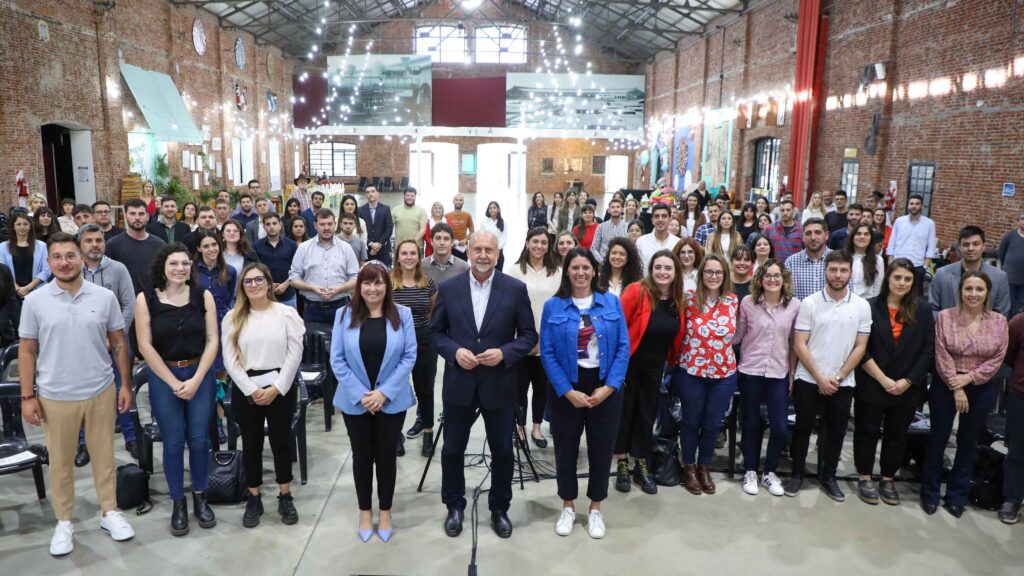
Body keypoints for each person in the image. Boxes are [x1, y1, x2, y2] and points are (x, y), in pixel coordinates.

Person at [18, 232, 135, 556]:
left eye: (71, 256)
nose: (65, 262)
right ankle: (64, 521)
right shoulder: (35, 301)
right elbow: (27, 350)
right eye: (57, 257)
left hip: (100, 389)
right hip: (55, 396)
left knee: (104, 457)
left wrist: (125, 385)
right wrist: (27, 396)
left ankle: (109, 512)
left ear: (82, 259)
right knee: (60, 463)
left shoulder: (104, 297)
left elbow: (119, 343)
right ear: (49, 262)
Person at [430, 231, 537, 539]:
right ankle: (454, 506)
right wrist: (454, 352)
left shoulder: (514, 289)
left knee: (502, 450)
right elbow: (435, 333)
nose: (483, 255)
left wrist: (504, 353)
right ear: (468, 251)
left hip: (499, 384)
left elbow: (529, 335)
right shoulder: (449, 288)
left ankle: (499, 508)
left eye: (489, 250)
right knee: (452, 449)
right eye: (477, 249)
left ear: (498, 253)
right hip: (459, 383)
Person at [539, 247, 629, 539]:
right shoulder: (553, 306)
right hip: (567, 386)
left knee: (602, 450)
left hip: (604, 385)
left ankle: (595, 508)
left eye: (586, 267)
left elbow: (623, 347)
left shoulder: (611, 302)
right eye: (575, 268)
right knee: (565, 450)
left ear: (594, 271)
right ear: (567, 272)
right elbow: (547, 353)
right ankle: (567, 505)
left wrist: (610, 387)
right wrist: (567, 391)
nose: (580, 273)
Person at [135, 243, 220, 536]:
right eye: (174, 263)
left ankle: (200, 495)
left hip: (199, 374)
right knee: (172, 442)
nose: (180, 269)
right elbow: (145, 345)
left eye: (185, 263)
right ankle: (178, 502)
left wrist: (196, 379)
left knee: (198, 440)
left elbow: (212, 340)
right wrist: (173, 382)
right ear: (163, 266)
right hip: (163, 376)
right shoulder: (146, 299)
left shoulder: (203, 295)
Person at [331, 260, 417, 542]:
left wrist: (384, 393)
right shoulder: (344, 315)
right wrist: (362, 395)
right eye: (367, 283)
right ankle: (365, 512)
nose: (372, 288)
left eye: (378, 282)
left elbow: (409, 356)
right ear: (359, 286)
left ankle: (386, 511)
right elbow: (337, 360)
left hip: (391, 401)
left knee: (386, 457)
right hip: (355, 402)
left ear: (387, 286)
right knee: (362, 457)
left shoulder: (402, 315)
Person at [222, 263, 305, 529]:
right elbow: (230, 360)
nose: (254, 285)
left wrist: (277, 388)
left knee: (281, 442)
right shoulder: (233, 317)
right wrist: (252, 390)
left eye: (259, 280)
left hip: (280, 386)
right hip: (247, 388)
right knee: (251, 444)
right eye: (248, 281)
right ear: (242, 287)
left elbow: (295, 354)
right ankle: (254, 497)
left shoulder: (286, 314)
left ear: (269, 283)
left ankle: (285, 495)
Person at [784, 250, 872, 501]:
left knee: (836, 432)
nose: (838, 275)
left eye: (843, 270)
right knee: (802, 429)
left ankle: (829, 477)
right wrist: (819, 377)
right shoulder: (809, 303)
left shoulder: (862, 306)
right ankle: (797, 474)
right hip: (808, 379)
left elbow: (860, 347)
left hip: (843, 382)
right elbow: (799, 344)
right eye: (833, 270)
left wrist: (839, 377)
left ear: (850, 273)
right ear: (825, 271)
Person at [922, 270, 1010, 517]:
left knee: (968, 442)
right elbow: (941, 353)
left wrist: (969, 379)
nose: (973, 294)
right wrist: (957, 386)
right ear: (960, 291)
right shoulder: (945, 317)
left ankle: (957, 496)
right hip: (946, 384)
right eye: (968, 288)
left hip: (981, 387)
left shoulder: (998, 322)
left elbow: (997, 358)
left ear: (987, 293)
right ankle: (930, 493)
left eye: (979, 289)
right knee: (938, 438)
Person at [852, 258, 934, 506]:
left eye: (908, 279)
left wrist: (908, 380)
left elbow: (928, 351)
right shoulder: (869, 306)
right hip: (873, 381)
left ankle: (888, 478)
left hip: (906, 386)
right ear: (888, 278)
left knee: (897, 435)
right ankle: (865, 476)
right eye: (897, 277)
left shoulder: (923, 310)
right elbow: (861, 348)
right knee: (866, 431)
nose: (902, 283)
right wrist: (882, 378)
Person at [614, 250, 687, 495]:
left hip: (656, 368)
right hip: (628, 364)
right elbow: (617, 325)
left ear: (675, 272)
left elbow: (678, 335)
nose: (662, 272)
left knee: (646, 415)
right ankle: (622, 463)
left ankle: (641, 463)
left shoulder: (678, 300)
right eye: (658, 267)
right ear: (651, 269)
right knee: (625, 413)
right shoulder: (637, 291)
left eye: (668, 268)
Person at [673, 253, 738, 496]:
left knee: (712, 424)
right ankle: (689, 467)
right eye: (709, 271)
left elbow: (738, 334)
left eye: (718, 272)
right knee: (691, 421)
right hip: (692, 371)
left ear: (725, 276)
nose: (713, 276)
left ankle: (704, 467)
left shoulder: (733, 301)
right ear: (701, 275)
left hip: (723, 374)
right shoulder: (688, 299)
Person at [734, 259, 800, 497]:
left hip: (778, 372)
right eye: (768, 275)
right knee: (750, 424)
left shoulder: (794, 306)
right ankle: (751, 469)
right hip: (750, 370)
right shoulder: (748, 303)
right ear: (760, 279)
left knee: (780, 427)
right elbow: (739, 335)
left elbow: (793, 342)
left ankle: (769, 471)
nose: (772, 280)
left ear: (784, 279)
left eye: (777, 275)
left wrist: (792, 373)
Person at [75, 225, 138, 464]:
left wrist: (115, 335)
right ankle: (84, 443)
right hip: (83, 343)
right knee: (84, 391)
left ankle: (131, 437)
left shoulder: (118, 269)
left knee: (123, 387)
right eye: (89, 240)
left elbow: (129, 304)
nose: (95, 244)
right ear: (80, 245)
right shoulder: (72, 270)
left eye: (99, 240)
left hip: (117, 339)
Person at [509, 228, 562, 449]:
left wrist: (542, 338)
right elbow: (509, 307)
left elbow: (559, 307)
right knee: (520, 387)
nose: (539, 246)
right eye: (535, 241)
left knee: (541, 387)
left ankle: (537, 428)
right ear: (527, 243)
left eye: (543, 242)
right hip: (521, 339)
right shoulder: (514, 271)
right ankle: (520, 428)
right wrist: (527, 337)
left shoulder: (557, 272)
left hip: (548, 341)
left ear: (548, 246)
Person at [391, 239, 439, 457]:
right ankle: (395, 434)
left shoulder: (428, 283)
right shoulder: (388, 282)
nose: (409, 257)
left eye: (413, 253)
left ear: (419, 258)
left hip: (424, 341)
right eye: (404, 253)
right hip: (395, 342)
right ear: (397, 257)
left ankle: (428, 432)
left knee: (425, 389)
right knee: (396, 388)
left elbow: (432, 312)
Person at [289, 209, 359, 324]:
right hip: (312, 308)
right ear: (315, 225)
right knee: (312, 336)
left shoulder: (346, 248)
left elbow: (355, 278)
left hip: (341, 306)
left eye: (330, 224)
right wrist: (312, 288)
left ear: (335, 225)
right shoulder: (303, 248)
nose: (326, 228)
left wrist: (339, 289)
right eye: (322, 224)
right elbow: (293, 279)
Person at [930, 225, 1011, 317]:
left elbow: (1002, 314)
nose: (971, 248)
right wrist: (947, 323)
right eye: (966, 244)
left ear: (984, 246)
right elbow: (933, 309)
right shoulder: (942, 274)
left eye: (976, 244)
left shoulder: (999, 277)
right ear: (959, 247)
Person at [194, 230, 237, 375]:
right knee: (200, 363)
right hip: (198, 321)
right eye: (206, 246)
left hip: (221, 322)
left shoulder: (230, 271)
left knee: (221, 365)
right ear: (199, 248)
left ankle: (220, 389)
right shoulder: (191, 271)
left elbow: (229, 298)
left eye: (214, 244)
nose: (211, 249)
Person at [106, 198, 166, 296]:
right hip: (123, 300)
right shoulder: (113, 244)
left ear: (147, 216)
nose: (137, 218)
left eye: (141, 214)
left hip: (153, 300)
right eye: (132, 214)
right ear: (125, 216)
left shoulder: (159, 245)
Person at [0, 213, 51, 315]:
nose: (22, 227)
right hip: (13, 295)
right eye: (18, 224)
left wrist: (28, 288)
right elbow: (3, 271)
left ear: (30, 226)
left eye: (25, 224)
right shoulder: (3, 247)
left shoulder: (41, 246)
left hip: (37, 291)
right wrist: (18, 289)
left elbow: (46, 270)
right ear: (13, 227)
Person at [1001, 309, 1024, 524]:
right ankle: (1013, 498)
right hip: (1021, 395)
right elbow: (1008, 355)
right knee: (1017, 450)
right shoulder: (1020, 322)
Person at [886, 194, 936, 286]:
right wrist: (890, 262)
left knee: (916, 293)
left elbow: (931, 247)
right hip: (898, 263)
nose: (914, 206)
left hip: (917, 266)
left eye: (917, 204)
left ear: (922, 206)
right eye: (911, 203)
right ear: (908, 205)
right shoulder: (899, 221)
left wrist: (925, 266)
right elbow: (891, 243)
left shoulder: (929, 224)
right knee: (896, 290)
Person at [252, 212, 298, 308]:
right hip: (265, 295)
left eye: (274, 223)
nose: (271, 227)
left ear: (280, 225)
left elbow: (297, 269)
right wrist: (268, 284)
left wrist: (285, 284)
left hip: (288, 295)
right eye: (268, 224)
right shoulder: (257, 246)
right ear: (264, 227)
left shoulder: (292, 245)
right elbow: (255, 270)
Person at [785, 217, 831, 301]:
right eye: (808, 233)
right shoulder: (791, 262)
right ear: (803, 237)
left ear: (826, 235)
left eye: (817, 232)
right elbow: (786, 295)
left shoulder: (838, 260)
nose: (813, 237)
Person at [421, 222, 469, 287]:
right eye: (438, 238)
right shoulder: (420, 266)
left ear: (452, 242)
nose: (442, 243)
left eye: (446, 239)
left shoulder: (464, 268)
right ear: (431, 241)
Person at [845, 223, 884, 299]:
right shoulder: (843, 257)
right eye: (858, 234)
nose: (862, 237)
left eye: (866, 234)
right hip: (845, 300)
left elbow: (877, 288)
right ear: (852, 237)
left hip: (867, 301)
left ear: (871, 238)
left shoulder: (878, 260)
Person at [636, 204, 681, 269]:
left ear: (669, 219)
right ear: (652, 220)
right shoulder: (641, 241)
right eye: (657, 216)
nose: (660, 219)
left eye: (664, 216)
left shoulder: (677, 242)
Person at [359, 185, 395, 266]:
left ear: (378, 193)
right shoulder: (360, 210)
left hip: (383, 250)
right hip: (367, 251)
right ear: (365, 195)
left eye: (373, 191)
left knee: (385, 272)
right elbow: (360, 230)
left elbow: (389, 228)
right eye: (368, 192)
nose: (370, 194)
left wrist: (378, 245)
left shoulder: (385, 209)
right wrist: (371, 244)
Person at [999, 211, 1024, 316]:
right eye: (1022, 219)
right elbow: (1002, 253)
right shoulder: (1010, 236)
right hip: (1010, 277)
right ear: (1018, 221)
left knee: (1021, 308)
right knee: (1009, 304)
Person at [763, 200, 803, 264]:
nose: (785, 213)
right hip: (774, 266)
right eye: (782, 210)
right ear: (779, 211)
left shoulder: (801, 230)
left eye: (788, 210)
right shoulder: (770, 229)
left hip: (794, 266)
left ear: (793, 211)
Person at [590, 197, 627, 263]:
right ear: (609, 210)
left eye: (618, 207)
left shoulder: (627, 227)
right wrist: (602, 262)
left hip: (622, 263)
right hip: (604, 262)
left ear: (622, 210)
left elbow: (630, 248)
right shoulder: (601, 227)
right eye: (613, 207)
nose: (615, 209)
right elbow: (593, 248)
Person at [479, 201, 507, 270]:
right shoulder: (484, 223)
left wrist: (498, 250)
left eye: (494, 208)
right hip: (487, 252)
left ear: (498, 210)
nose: (492, 209)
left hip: (499, 252)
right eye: (490, 208)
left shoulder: (503, 222)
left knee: (498, 273)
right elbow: (482, 238)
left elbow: (503, 237)